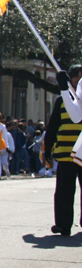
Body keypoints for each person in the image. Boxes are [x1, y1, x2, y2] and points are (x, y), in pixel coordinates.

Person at [45, 65, 82, 236]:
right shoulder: (62, 101)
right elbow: (53, 127)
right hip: (66, 153)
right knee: (64, 190)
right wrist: (48, 147)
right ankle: (63, 223)